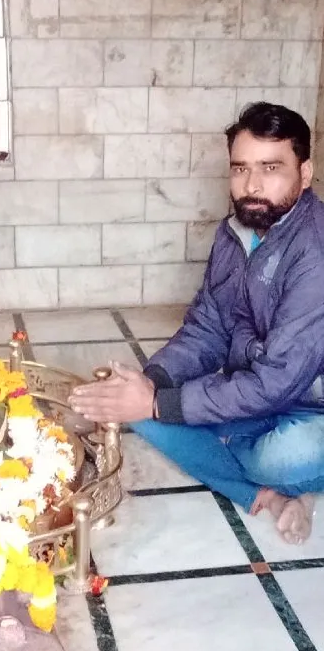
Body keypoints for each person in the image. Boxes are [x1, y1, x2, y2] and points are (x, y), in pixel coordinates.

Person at [70, 102, 324, 545]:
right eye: (240, 169)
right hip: (257, 391)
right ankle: (275, 496)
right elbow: (208, 325)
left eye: (271, 168)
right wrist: (151, 385)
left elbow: (277, 382)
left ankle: (273, 475)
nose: (252, 185)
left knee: (288, 457)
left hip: (309, 408)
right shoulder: (235, 233)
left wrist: (159, 404)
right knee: (143, 409)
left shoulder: (314, 252)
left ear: (305, 172)